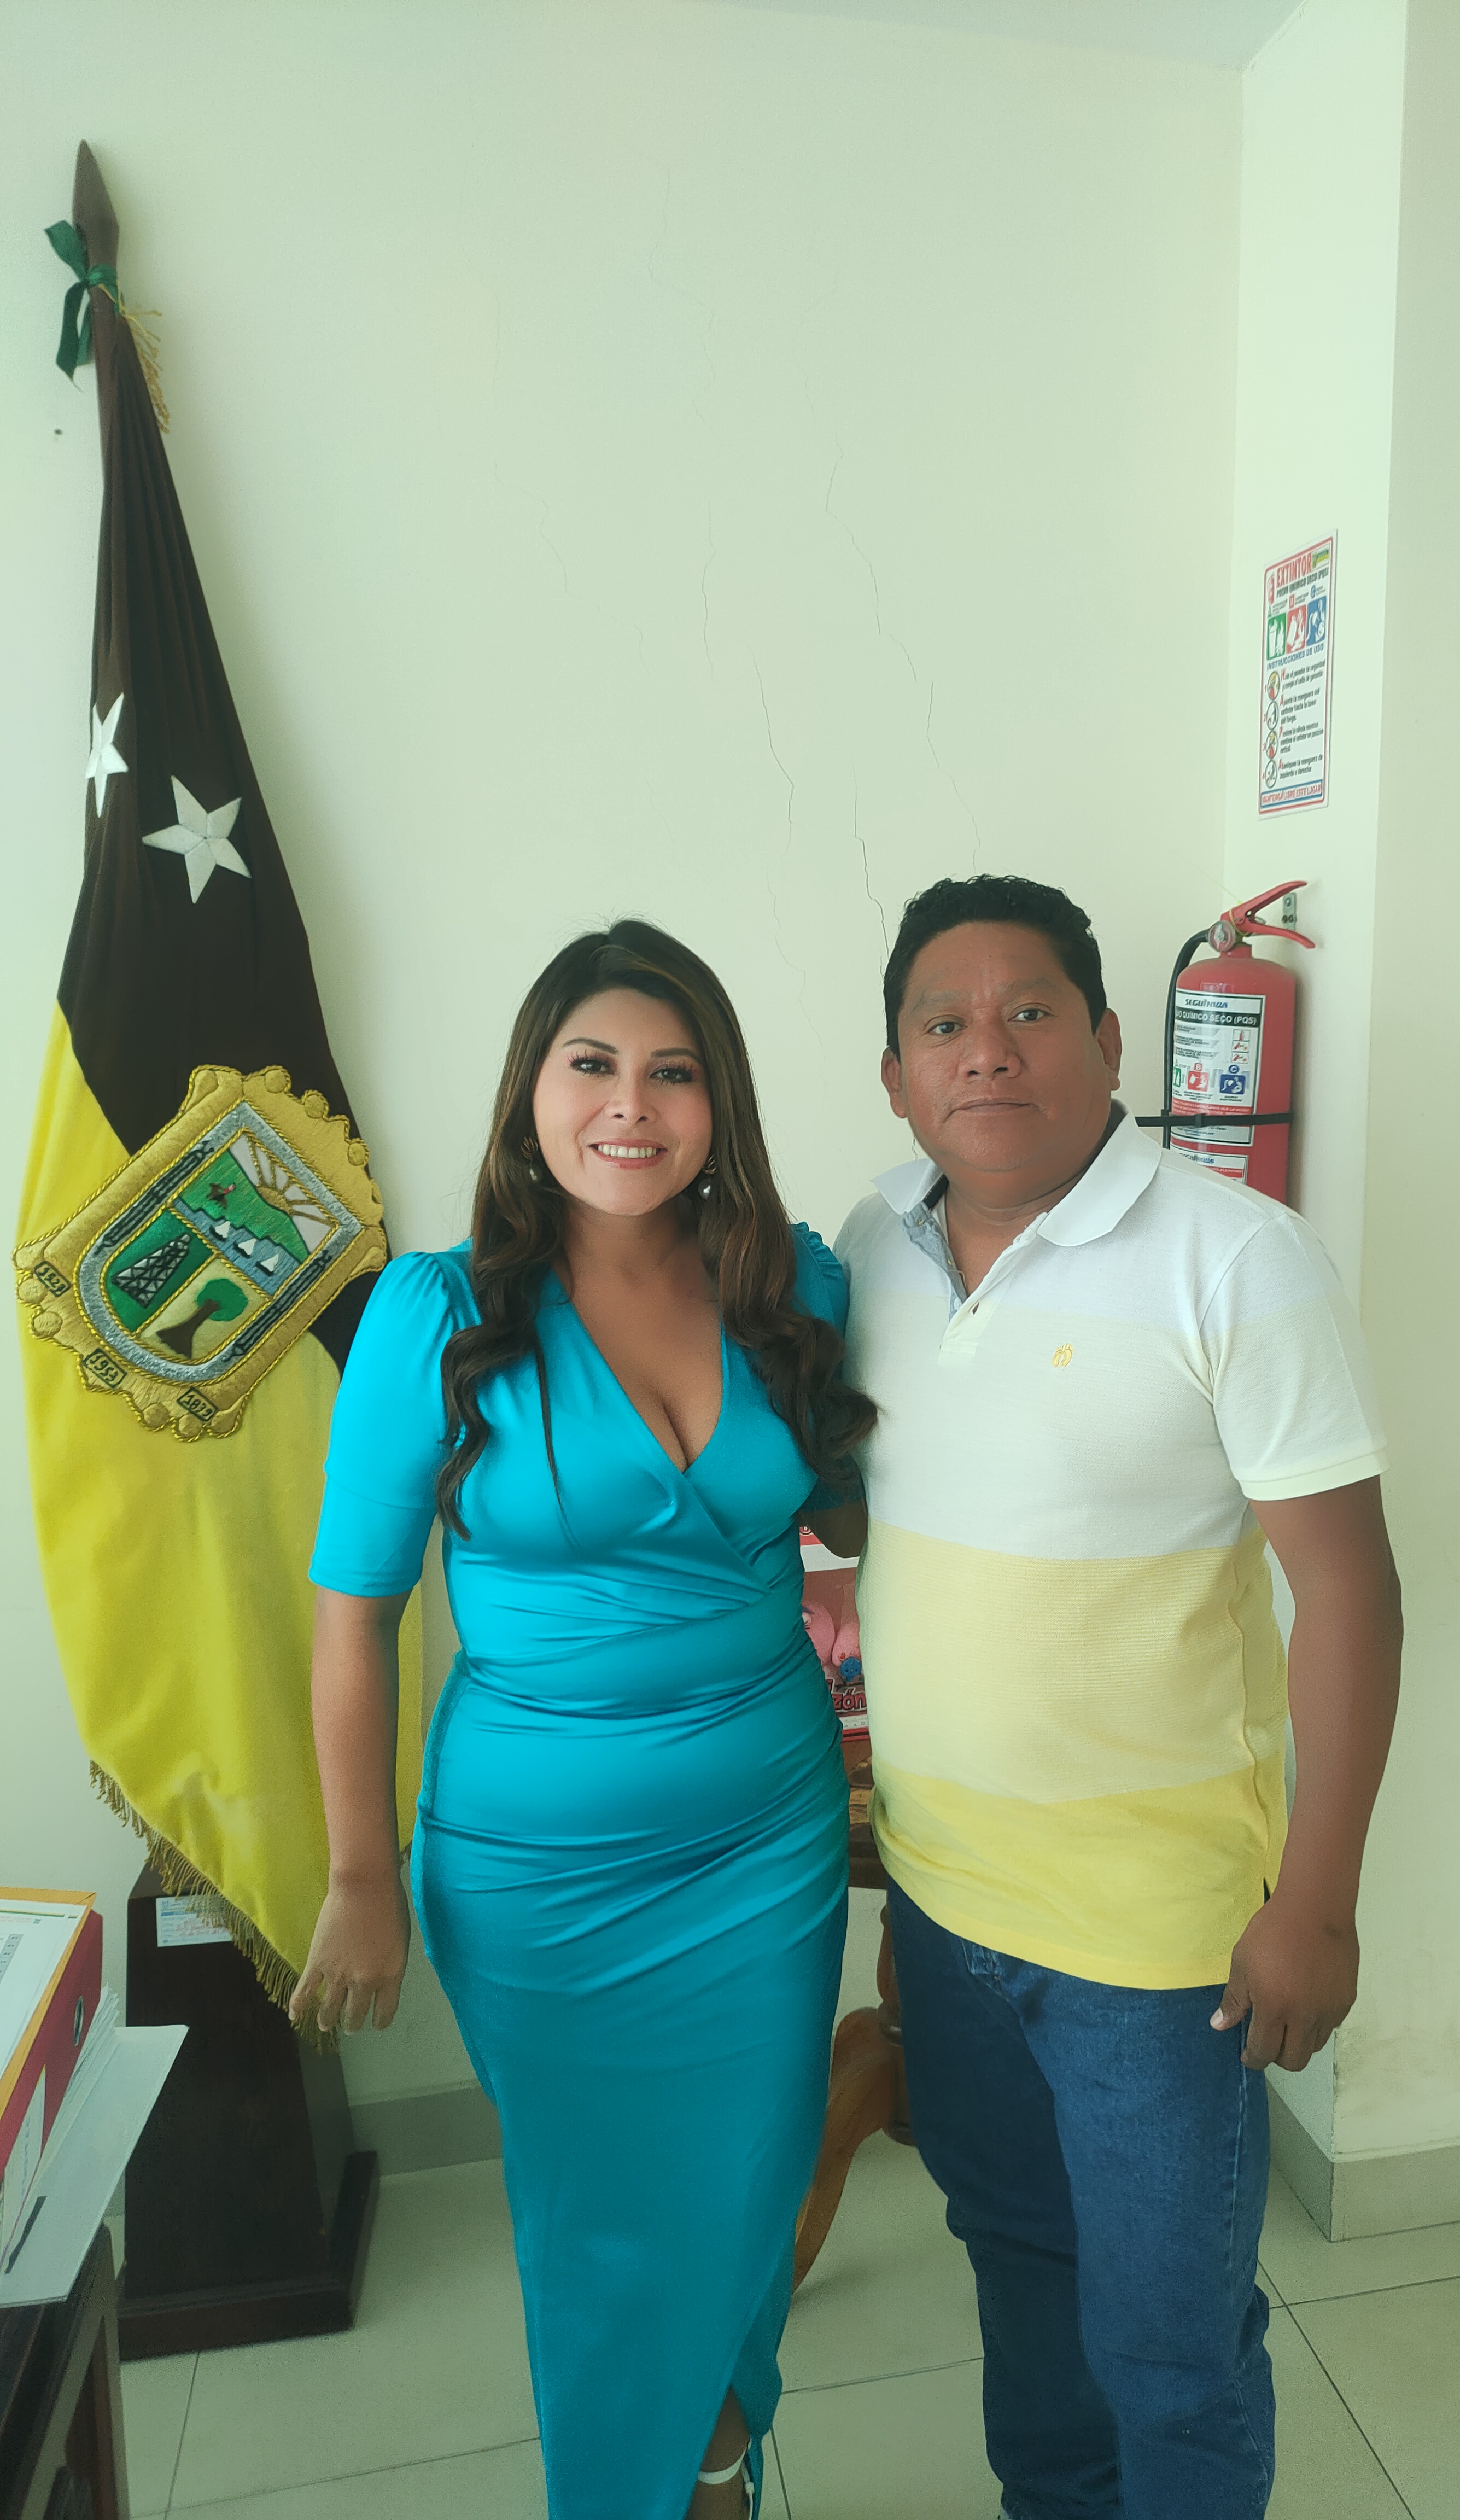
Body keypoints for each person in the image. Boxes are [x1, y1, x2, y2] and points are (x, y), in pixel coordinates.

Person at [289, 920, 872, 2520]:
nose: (632, 1105)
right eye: (593, 1065)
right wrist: (359, 1875)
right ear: (529, 1093)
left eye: (674, 1072)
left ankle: (715, 2465)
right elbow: (352, 1623)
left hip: (769, 1847)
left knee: (746, 2194)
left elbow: (858, 1514)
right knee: (608, 2231)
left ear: (719, 1102)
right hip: (540, 1877)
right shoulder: (432, 1315)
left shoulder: (794, 1284)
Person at [835, 874, 1401, 2520]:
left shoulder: (1240, 1260)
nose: (987, 1051)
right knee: (1018, 2273)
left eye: (1030, 1013)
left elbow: (1350, 1594)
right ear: (896, 1073)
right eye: (944, 1023)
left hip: (1160, 1948)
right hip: (947, 1904)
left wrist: (1319, 1906)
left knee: (1169, 2344)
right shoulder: (868, 1246)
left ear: (1106, 1040)